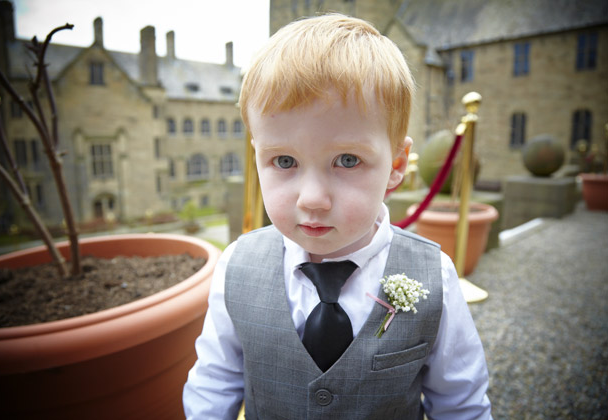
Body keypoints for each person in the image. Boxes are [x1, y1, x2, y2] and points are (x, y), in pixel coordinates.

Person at [183, 13, 492, 419]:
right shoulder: (236, 266)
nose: (312, 199)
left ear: (397, 163)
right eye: (284, 160)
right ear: (257, 154)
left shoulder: (434, 273)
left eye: (347, 160)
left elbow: (460, 402)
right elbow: (215, 381)